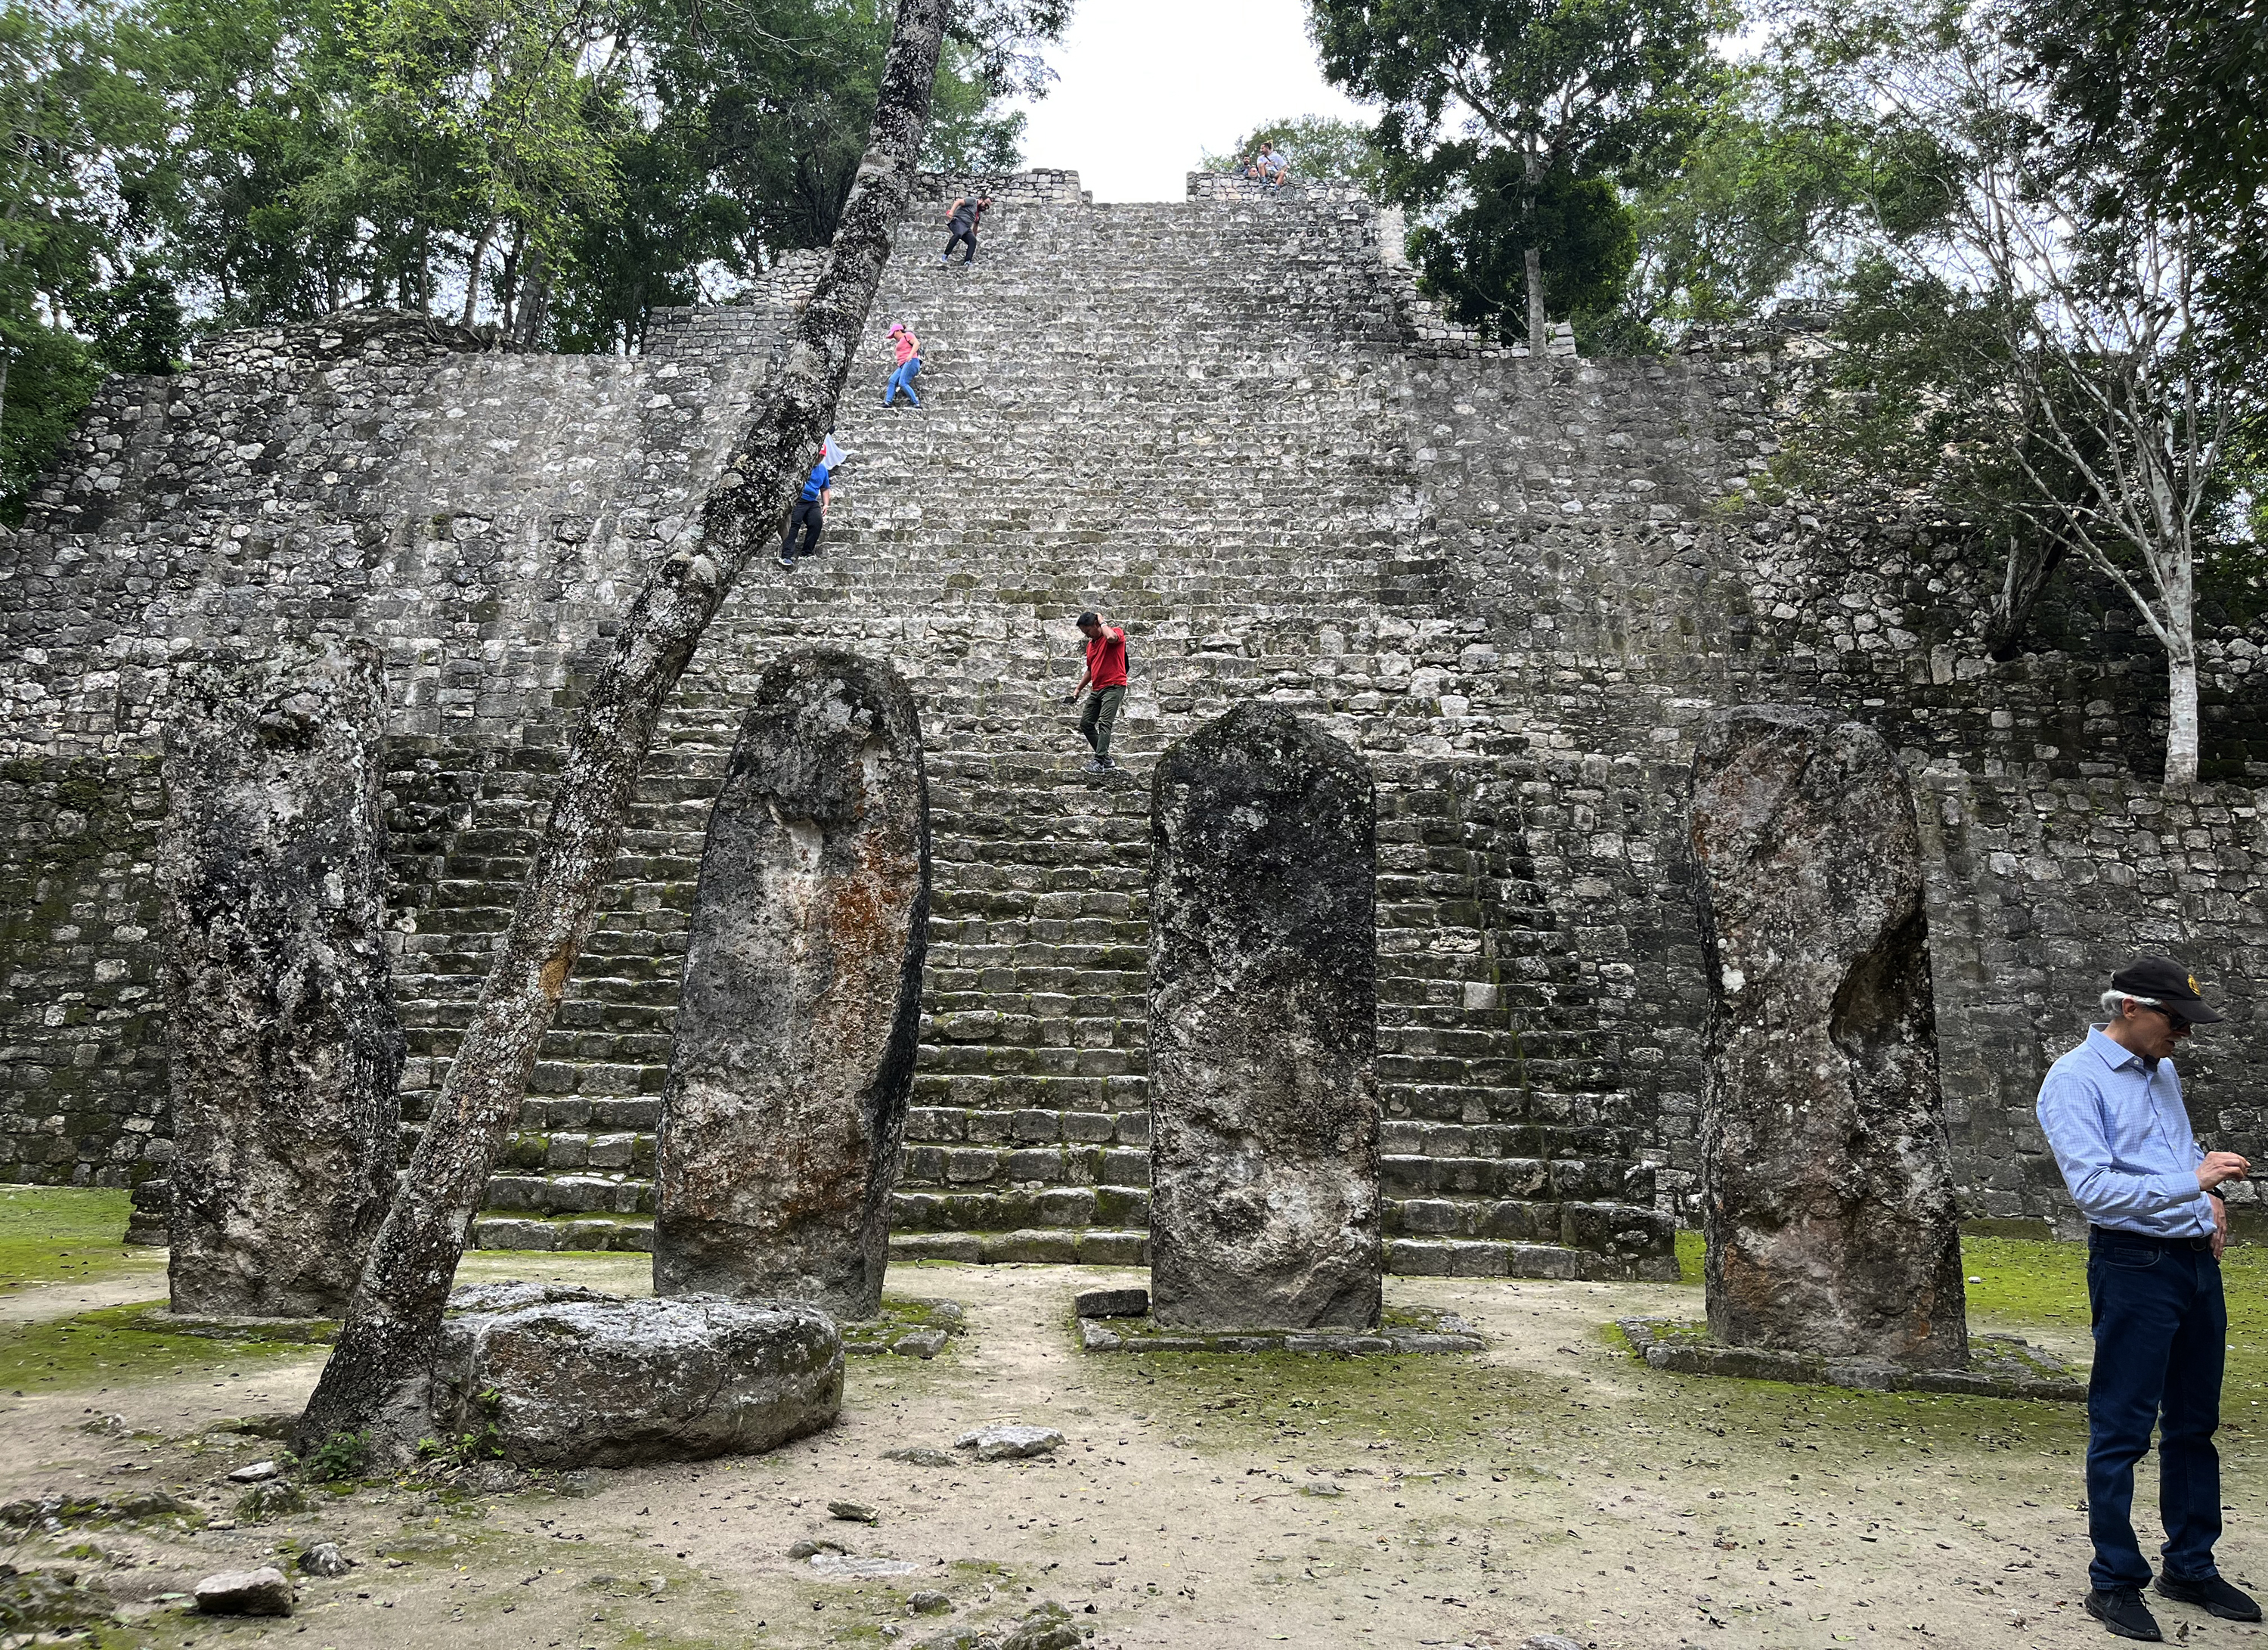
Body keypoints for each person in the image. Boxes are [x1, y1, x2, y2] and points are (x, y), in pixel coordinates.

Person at [2035, 957, 2258, 1642]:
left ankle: (2190, 1566)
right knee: (2123, 1425)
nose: (2184, 1035)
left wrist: (2209, 1198)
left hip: (2193, 1263)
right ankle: (2114, 1581)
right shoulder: (2072, 1080)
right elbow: (2096, 1192)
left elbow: (2174, 1153)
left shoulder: (2161, 1070)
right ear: (2129, 1006)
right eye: (2175, 1019)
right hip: (2133, 1264)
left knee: (2195, 1423)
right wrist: (2195, 1181)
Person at [1064, 610, 1128, 773]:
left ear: (1096, 625)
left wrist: (1102, 621)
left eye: (1088, 631)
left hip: (1114, 686)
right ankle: (1106, 758)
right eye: (1084, 633)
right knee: (1086, 723)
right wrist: (1078, 688)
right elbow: (1090, 670)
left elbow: (1111, 638)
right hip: (1097, 688)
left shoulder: (1115, 633)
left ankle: (1099, 762)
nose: (1086, 635)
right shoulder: (1091, 646)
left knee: (1105, 723)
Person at [777, 449, 831, 569]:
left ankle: (807, 552)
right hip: (798, 499)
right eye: (818, 455)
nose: (819, 458)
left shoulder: (823, 470)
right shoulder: (801, 466)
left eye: (822, 456)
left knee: (816, 522)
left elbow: (825, 488)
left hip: (812, 501)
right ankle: (786, 556)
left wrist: (826, 504)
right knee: (793, 525)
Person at [940, 194, 991, 265]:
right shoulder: (972, 201)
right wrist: (951, 212)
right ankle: (945, 255)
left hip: (967, 228)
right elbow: (958, 202)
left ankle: (967, 261)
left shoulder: (979, 214)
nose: (985, 207)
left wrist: (973, 236)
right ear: (981, 200)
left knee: (973, 241)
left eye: (987, 207)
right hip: (958, 221)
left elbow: (975, 226)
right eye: (985, 204)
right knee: (958, 234)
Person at [885, 321, 922, 408]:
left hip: (911, 361)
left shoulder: (907, 335)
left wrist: (910, 355)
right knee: (892, 380)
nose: (893, 337)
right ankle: (888, 402)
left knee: (903, 382)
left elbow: (917, 344)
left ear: (897, 331)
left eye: (893, 335)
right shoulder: (901, 340)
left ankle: (916, 402)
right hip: (903, 364)